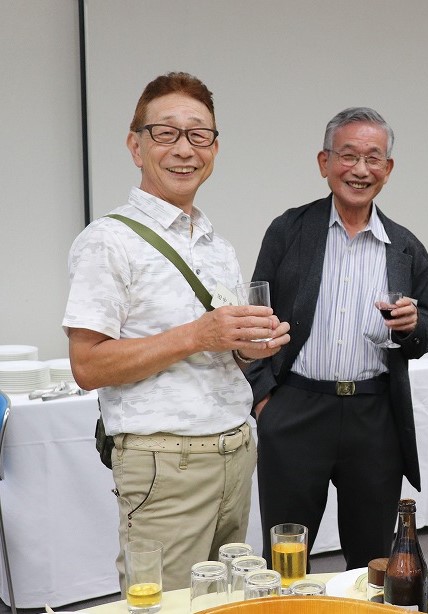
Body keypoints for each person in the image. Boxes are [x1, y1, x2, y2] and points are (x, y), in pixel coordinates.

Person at [63, 72, 291, 591]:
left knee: (222, 599)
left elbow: (220, 352)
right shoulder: (108, 241)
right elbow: (87, 366)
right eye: (166, 133)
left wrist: (248, 349)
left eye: (199, 135)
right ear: (135, 146)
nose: (184, 149)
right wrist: (198, 335)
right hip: (165, 463)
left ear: (215, 148)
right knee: (162, 601)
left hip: (235, 451)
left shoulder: (216, 245)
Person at [245, 107, 428, 570]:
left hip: (375, 416)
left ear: (388, 169)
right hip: (296, 408)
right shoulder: (289, 231)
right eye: (348, 155)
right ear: (324, 162)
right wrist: (264, 400)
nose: (360, 169)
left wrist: (412, 327)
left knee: (372, 559)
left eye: (373, 158)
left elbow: (427, 331)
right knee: (285, 556)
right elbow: (255, 314)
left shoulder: (406, 247)